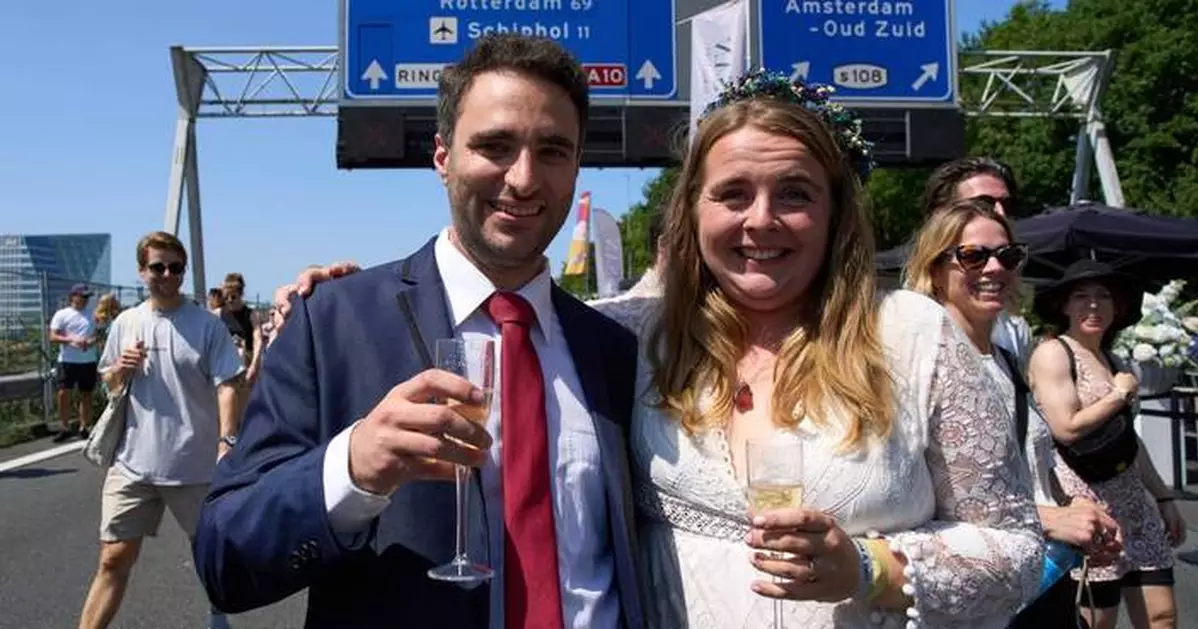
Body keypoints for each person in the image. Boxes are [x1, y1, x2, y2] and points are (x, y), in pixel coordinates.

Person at [281, 71, 1044, 628]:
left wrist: (873, 568)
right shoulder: (636, 334)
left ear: (837, 211)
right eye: (732, 194)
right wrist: (338, 297)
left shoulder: (913, 333)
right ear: (693, 209)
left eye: (796, 194)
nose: (762, 220)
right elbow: (494, 302)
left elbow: (1017, 547)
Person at [192, 35, 644, 629]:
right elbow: (225, 557)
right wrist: (351, 467)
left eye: (553, 151)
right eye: (495, 146)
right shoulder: (330, 323)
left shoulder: (612, 349)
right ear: (442, 157)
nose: (525, 178)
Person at [903, 199, 1122, 627]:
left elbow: (1019, 466)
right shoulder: (921, 363)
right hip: (974, 590)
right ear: (934, 268)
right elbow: (911, 495)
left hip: (1037, 575)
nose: (994, 269)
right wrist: (1049, 519)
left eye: (1008, 256)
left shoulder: (1005, 358)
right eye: (972, 256)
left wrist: (1073, 504)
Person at [77, 232, 243, 629]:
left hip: (195, 464)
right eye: (158, 267)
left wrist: (228, 440)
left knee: (208, 554)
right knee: (112, 557)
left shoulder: (206, 326)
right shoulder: (126, 323)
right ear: (141, 271)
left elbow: (229, 384)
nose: (168, 274)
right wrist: (120, 370)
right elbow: (111, 385)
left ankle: (218, 615)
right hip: (133, 463)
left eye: (176, 267)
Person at [1027, 260, 1188, 629]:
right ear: (1064, 306)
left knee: (1162, 617)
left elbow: (1129, 441)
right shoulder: (1054, 353)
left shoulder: (1113, 359)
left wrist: (1163, 497)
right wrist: (1118, 395)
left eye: (1103, 297)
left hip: (1133, 504)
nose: (1093, 305)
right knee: (1096, 622)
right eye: (1082, 297)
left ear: (1118, 308)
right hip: (1088, 505)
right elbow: (1066, 428)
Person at [920, 156, 1034, 367]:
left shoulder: (1015, 329)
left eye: (1007, 204)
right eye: (984, 203)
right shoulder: (908, 331)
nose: (1000, 213)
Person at [49, 283, 99, 441]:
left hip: (88, 360)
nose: (85, 300)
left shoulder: (93, 314)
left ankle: (84, 427)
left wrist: (90, 342)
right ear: (73, 297)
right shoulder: (62, 314)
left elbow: (98, 335)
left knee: (86, 394)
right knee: (63, 393)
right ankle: (64, 427)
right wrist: (70, 339)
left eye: (87, 297)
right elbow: (53, 336)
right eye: (82, 296)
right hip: (67, 360)